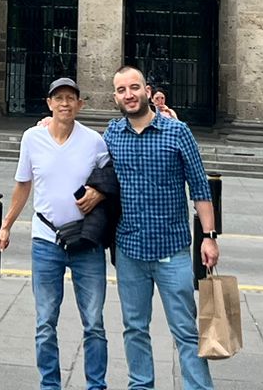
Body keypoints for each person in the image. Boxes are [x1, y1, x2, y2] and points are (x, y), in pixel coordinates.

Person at [105, 63, 218, 390]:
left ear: (148, 91)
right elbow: (80, 150)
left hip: (172, 251)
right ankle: (141, 385)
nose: (129, 95)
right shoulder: (112, 135)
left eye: (134, 87)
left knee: (185, 330)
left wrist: (209, 237)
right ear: (115, 97)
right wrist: (48, 123)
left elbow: (200, 188)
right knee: (134, 328)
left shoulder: (177, 132)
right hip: (130, 250)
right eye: (122, 90)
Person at [0, 77, 111, 390]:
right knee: (45, 322)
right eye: (58, 98)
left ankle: (96, 385)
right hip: (46, 239)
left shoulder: (94, 141)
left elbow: (111, 177)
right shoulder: (32, 138)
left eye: (70, 98)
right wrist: (6, 225)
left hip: (86, 240)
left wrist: (99, 193)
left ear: (80, 104)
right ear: (49, 103)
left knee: (94, 322)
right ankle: (50, 385)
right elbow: (23, 185)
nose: (64, 103)